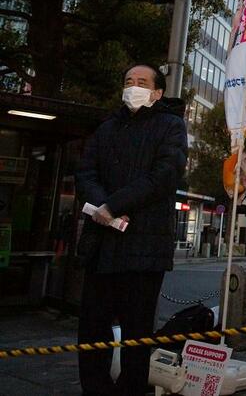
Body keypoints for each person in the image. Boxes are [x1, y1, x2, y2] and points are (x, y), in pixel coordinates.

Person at [75, 63, 187, 396]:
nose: (132, 86)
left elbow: (164, 175)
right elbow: (85, 173)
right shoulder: (107, 127)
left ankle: (131, 390)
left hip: (145, 247)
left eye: (141, 82)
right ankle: (95, 388)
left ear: (157, 92)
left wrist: (114, 205)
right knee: (92, 327)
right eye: (127, 81)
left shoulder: (171, 126)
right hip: (102, 243)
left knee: (137, 331)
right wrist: (101, 206)